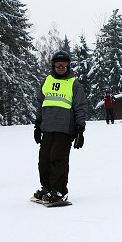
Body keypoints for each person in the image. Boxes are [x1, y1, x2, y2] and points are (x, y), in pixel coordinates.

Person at [32, 50, 87, 203]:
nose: (61, 67)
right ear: (53, 65)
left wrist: (80, 129)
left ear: (68, 66)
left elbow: (80, 107)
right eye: (58, 64)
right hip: (47, 128)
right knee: (44, 160)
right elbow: (41, 104)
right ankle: (47, 187)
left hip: (64, 129)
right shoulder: (47, 81)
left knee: (58, 159)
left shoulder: (74, 83)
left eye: (64, 64)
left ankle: (59, 190)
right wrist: (37, 126)